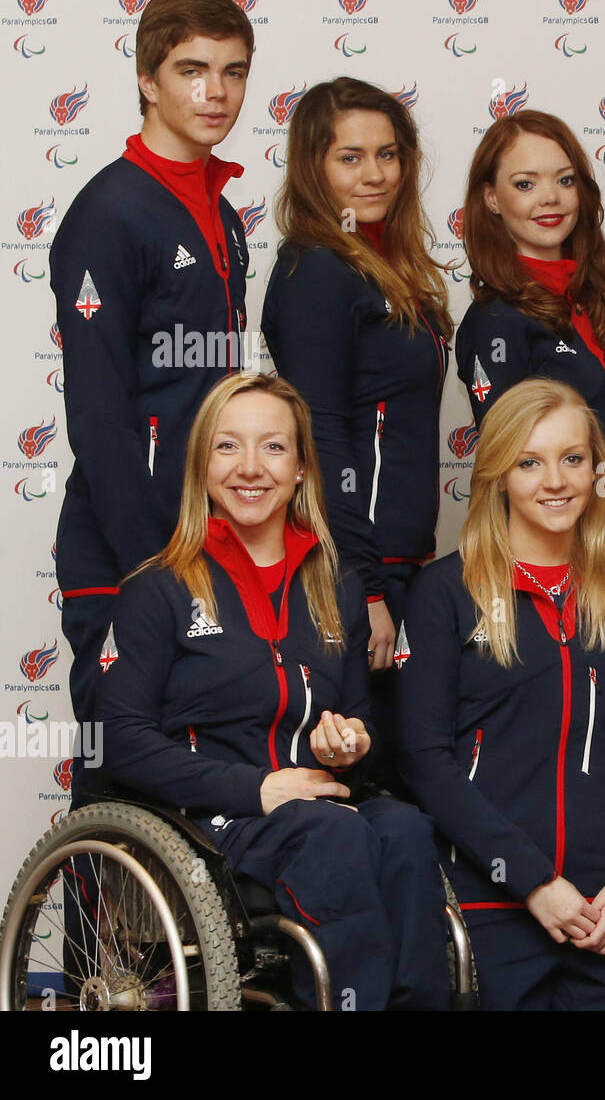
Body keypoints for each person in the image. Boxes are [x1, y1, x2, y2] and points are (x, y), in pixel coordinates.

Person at [96, 373, 449, 1010]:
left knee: (404, 829)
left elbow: (354, 728)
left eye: (274, 447)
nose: (250, 468)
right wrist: (255, 788)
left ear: (301, 468)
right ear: (200, 464)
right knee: (333, 836)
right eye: (228, 447)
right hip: (208, 820)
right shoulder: (160, 590)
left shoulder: (334, 584)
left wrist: (346, 745)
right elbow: (119, 740)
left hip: (313, 806)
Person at [396, 379, 605, 1011]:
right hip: (492, 901)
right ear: (498, 475)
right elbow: (424, 761)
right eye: (530, 462)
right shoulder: (444, 593)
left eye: (572, 459)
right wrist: (533, 882)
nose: (555, 481)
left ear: (598, 471)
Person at [51, 0, 254, 794]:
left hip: (209, 535)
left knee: (201, 765)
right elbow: (98, 415)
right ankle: (80, 928)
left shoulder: (223, 212)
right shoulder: (109, 211)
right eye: (192, 70)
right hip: (129, 545)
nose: (216, 93)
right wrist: (149, 566)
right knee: (120, 763)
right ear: (147, 79)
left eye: (234, 72)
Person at [262, 77, 454, 788]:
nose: (374, 174)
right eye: (350, 157)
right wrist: (364, 587)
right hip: (353, 571)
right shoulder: (317, 270)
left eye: (388, 154)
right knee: (366, 779)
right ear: (313, 166)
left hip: (404, 564)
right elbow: (323, 441)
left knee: (408, 767)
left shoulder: (383, 264)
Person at [456, 110, 605, 469]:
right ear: (491, 198)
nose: (550, 197)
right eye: (525, 184)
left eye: (565, 181)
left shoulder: (587, 298)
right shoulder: (496, 318)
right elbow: (509, 463)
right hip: (543, 522)